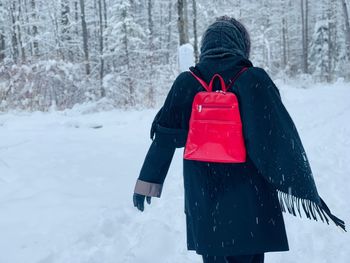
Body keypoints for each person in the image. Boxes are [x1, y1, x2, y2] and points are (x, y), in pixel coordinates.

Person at [133, 16, 345, 263]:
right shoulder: (255, 79)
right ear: (241, 44)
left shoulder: (186, 82)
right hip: (251, 204)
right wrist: (301, 185)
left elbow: (165, 138)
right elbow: (278, 137)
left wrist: (147, 182)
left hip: (205, 203)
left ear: (206, 46)